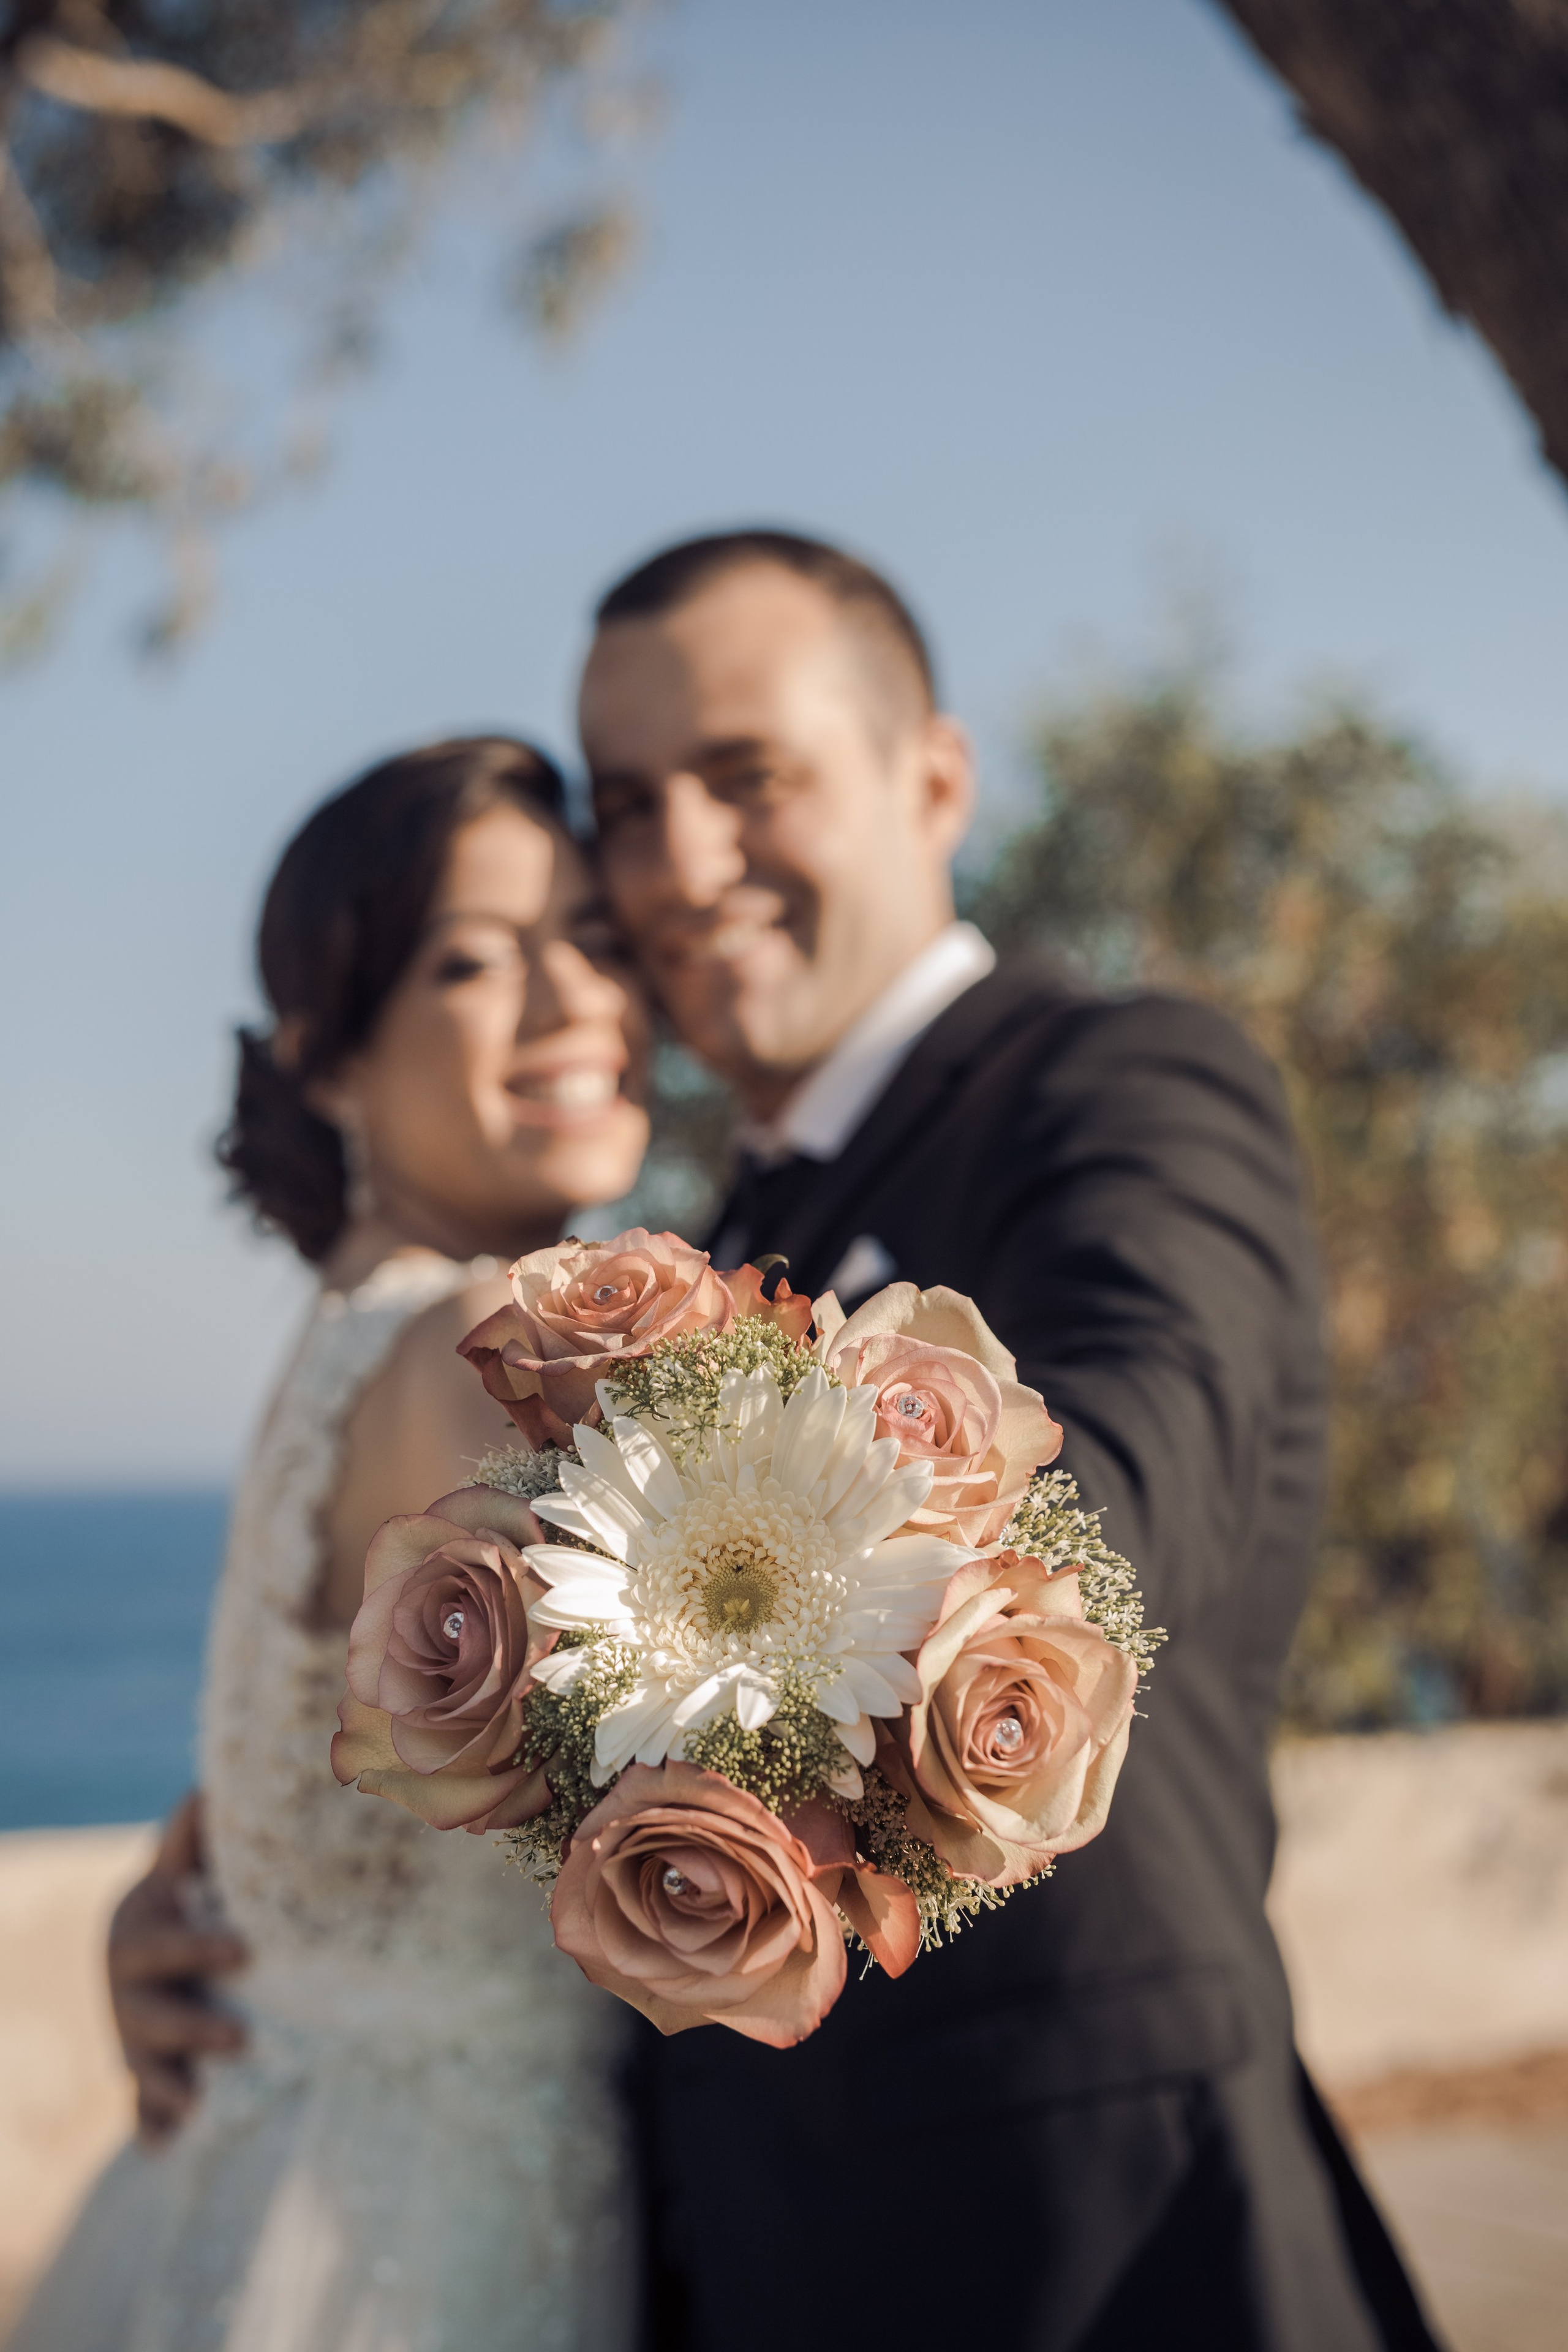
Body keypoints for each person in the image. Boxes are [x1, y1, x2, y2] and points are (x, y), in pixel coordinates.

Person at [579, 530, 1442, 2352]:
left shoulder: (1124, 1085)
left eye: (749, 781)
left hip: (1090, 2253)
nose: (676, 864)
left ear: (936, 781)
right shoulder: (717, 1242)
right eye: (629, 806)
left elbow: (1119, 1501)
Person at [12, 738, 650, 2352]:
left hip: (264, 2184)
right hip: (426, 2256)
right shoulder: (475, 1342)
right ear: (326, 1059)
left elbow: (312, 1787)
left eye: (592, 938)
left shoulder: (344, 1348)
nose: (575, 1002)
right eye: (470, 961)